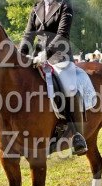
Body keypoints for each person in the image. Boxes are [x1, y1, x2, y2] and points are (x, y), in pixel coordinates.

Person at [20, 0, 89, 155]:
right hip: (37, 57)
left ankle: (78, 135)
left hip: (59, 56)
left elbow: (62, 34)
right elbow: (28, 35)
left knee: (69, 87)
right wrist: (22, 54)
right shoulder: (37, 7)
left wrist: (46, 54)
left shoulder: (64, 5)